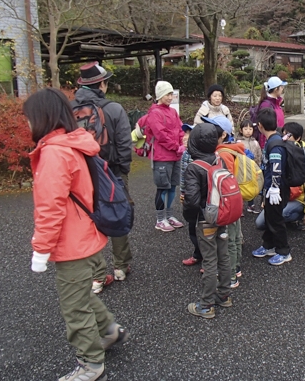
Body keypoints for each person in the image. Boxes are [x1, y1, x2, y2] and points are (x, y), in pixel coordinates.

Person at [24, 88, 128, 381]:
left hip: (72, 243)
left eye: (29, 118)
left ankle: (91, 365)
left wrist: (41, 250)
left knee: (74, 307)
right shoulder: (75, 144)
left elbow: (50, 208)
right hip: (88, 234)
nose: (28, 124)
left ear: (41, 117)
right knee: (81, 295)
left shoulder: (54, 153)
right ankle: (108, 330)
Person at [72, 61, 134, 294]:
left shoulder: (69, 109)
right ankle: (121, 266)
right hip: (111, 171)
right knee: (117, 213)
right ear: (102, 84)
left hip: (82, 173)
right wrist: (123, 171)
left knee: (89, 219)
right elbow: (124, 143)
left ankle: (97, 275)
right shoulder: (114, 108)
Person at [183, 123, 233, 319]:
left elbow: (192, 201)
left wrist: (190, 218)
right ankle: (224, 295)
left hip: (205, 219)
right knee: (224, 255)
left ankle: (206, 305)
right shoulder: (220, 160)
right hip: (222, 214)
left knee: (210, 260)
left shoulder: (194, 167)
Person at [203, 115, 246, 288]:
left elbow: (224, 182)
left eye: (212, 130)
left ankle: (231, 275)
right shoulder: (232, 148)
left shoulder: (222, 154)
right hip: (237, 199)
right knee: (235, 236)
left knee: (229, 238)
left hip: (227, 202)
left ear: (222, 135)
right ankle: (236, 268)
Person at [138, 81, 185, 232]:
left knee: (172, 187)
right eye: (168, 94)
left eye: (172, 94)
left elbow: (180, 129)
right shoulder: (154, 113)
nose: (171, 97)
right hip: (162, 156)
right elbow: (161, 135)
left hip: (175, 155)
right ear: (160, 95)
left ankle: (169, 215)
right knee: (162, 188)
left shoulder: (172, 112)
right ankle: (160, 219)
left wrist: (180, 144)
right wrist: (177, 146)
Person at [251, 107, 292, 266]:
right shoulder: (276, 139)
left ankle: (283, 251)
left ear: (260, 125)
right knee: (270, 217)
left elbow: (276, 166)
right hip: (273, 188)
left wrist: (274, 187)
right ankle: (269, 245)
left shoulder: (274, 144)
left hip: (277, 189)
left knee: (276, 219)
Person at [255, 122, 305, 231]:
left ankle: (297, 216)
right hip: (282, 195)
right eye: (283, 134)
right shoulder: (280, 148)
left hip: (299, 198)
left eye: (289, 135)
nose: (284, 137)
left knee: (276, 217)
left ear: (298, 138)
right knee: (260, 223)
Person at [179, 124, 202, 267]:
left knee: (205, 227)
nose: (185, 136)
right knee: (192, 225)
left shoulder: (203, 154)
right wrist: (182, 192)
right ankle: (197, 253)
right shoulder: (185, 154)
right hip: (189, 196)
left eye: (189, 134)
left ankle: (209, 259)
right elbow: (182, 175)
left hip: (202, 196)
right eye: (185, 133)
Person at [254, 76, 287, 148]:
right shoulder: (267, 105)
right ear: (276, 89)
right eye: (281, 87)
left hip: (277, 138)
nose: (282, 89)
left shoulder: (276, 103)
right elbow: (265, 127)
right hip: (270, 142)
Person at [238, 119, 262, 214]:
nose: (248, 131)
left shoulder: (255, 142)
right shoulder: (238, 142)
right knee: (241, 186)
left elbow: (259, 154)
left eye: (250, 129)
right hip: (241, 169)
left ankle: (251, 205)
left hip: (253, 168)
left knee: (251, 186)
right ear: (241, 130)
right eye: (245, 128)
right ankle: (240, 207)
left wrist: (258, 165)